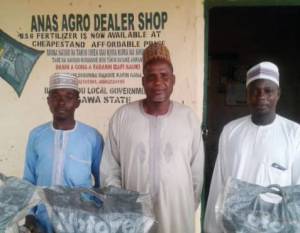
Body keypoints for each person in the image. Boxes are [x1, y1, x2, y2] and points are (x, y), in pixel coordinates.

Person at [100, 42, 204, 233]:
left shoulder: (188, 118)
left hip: (177, 216)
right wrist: (121, 205)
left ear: (173, 80)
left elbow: (196, 173)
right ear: (143, 81)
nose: (158, 83)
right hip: (133, 216)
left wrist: (185, 207)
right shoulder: (123, 116)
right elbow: (110, 169)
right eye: (151, 77)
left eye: (164, 76)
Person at [204, 61, 300, 233]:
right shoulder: (231, 131)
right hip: (234, 225)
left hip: (277, 226)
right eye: (254, 91)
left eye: (268, 91)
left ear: (278, 94)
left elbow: (297, 191)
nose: (261, 96)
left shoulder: (294, 133)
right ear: (247, 95)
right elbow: (220, 182)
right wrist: (212, 228)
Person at [23, 73, 104, 233]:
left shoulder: (92, 136)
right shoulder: (36, 135)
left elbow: (102, 183)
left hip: (80, 222)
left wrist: (93, 214)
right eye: (56, 96)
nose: (61, 102)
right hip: (42, 222)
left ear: (77, 102)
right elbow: (28, 181)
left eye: (69, 96)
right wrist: (29, 215)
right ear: (48, 101)